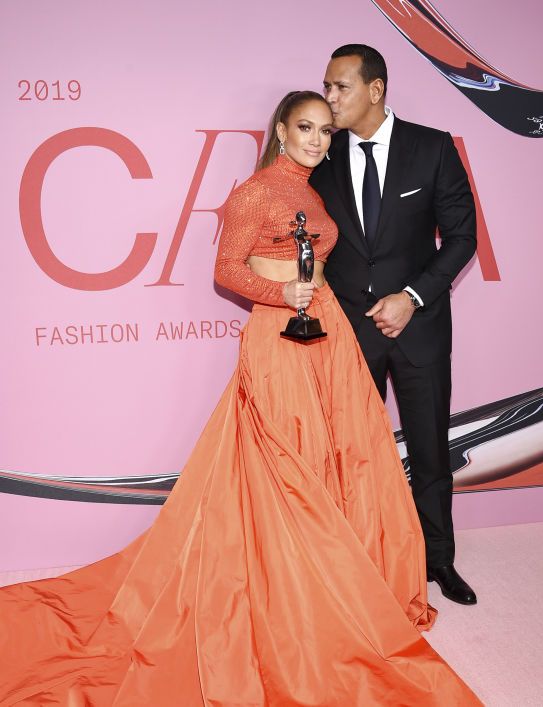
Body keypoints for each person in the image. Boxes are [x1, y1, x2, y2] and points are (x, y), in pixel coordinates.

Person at [0, 92, 481, 706]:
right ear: (280, 129)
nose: (316, 140)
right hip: (280, 332)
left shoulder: (314, 189)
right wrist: (283, 297)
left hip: (328, 332)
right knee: (284, 462)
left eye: (325, 131)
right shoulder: (255, 192)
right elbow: (226, 269)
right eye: (305, 128)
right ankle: (290, 591)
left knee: (335, 456)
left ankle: (331, 577)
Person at [310, 45, 478, 606]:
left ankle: (438, 560)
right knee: (349, 453)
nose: (330, 98)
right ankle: (356, 563)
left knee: (429, 449)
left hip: (419, 328)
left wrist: (411, 297)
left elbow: (462, 239)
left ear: (375, 90)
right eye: (327, 87)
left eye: (340, 87)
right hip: (348, 333)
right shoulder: (321, 156)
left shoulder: (432, 148)